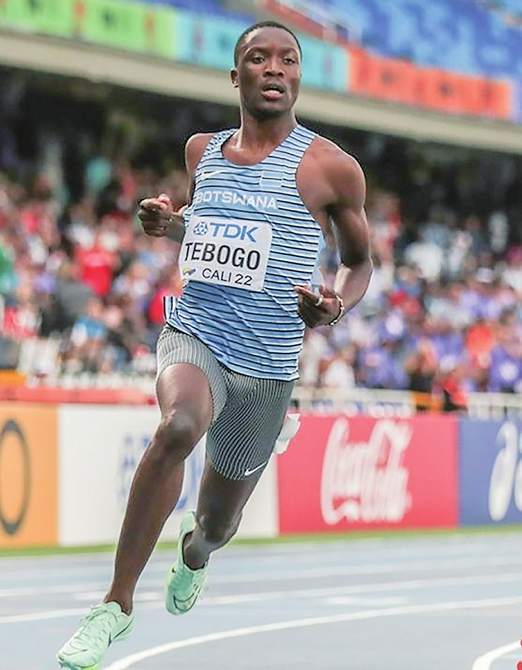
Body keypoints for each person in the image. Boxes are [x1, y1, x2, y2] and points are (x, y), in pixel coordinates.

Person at [57, 20, 373, 670]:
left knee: (218, 526)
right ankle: (115, 605)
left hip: (268, 368)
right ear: (236, 76)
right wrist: (170, 223)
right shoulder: (202, 151)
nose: (274, 68)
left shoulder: (331, 168)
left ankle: (194, 552)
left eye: (288, 59)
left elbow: (359, 261)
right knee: (178, 426)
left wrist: (335, 305)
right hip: (197, 333)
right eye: (259, 58)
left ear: (298, 77)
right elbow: (210, 231)